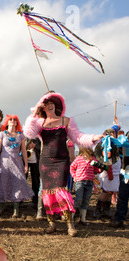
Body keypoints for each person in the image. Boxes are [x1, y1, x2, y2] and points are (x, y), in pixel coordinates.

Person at [24, 91, 104, 236]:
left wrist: (93, 137)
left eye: (52, 103)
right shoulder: (40, 123)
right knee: (47, 192)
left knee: (61, 190)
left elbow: (78, 136)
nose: (49, 105)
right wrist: (35, 112)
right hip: (45, 161)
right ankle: (51, 224)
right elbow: (28, 133)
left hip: (61, 161)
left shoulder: (66, 121)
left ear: (56, 105)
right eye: (46, 103)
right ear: (43, 107)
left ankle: (70, 224)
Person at [0, 115, 34, 218]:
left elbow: (24, 151)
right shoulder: (2, 134)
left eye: (15, 120)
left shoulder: (21, 136)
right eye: (10, 119)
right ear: (7, 122)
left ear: (17, 123)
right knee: (2, 184)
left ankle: (16, 210)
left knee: (17, 183)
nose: (13, 121)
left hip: (17, 161)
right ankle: (0, 207)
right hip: (4, 162)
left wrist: (26, 164)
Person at [70, 147, 101, 225]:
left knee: (86, 200)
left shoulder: (93, 159)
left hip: (90, 182)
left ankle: (82, 219)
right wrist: (74, 176)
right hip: (80, 181)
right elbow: (72, 167)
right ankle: (71, 219)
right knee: (78, 199)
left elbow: (96, 170)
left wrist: (100, 169)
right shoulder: (79, 159)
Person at [25, 138, 41, 208]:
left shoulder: (39, 137)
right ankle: (21, 199)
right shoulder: (25, 135)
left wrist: (35, 146)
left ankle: (35, 200)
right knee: (23, 180)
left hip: (35, 161)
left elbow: (43, 147)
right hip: (25, 161)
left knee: (35, 181)